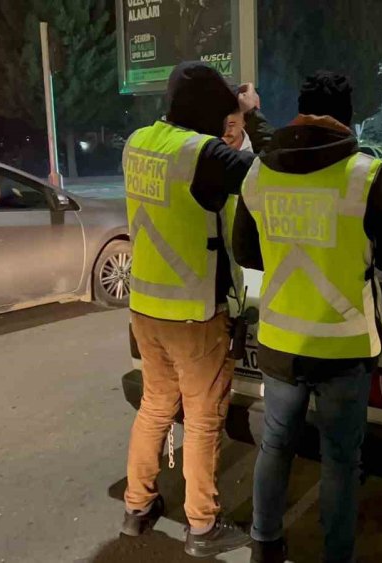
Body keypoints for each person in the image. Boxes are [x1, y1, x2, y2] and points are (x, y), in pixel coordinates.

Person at [233, 72, 382, 563]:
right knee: (340, 460)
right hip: (343, 348)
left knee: (275, 446)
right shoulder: (365, 174)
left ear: (301, 107)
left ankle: (264, 544)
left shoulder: (259, 173)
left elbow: (246, 252)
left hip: (279, 341)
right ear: (348, 115)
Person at [119, 61, 272, 558]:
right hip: (192, 311)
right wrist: (253, 117)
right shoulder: (202, 154)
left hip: (145, 306)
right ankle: (202, 527)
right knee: (204, 420)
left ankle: (136, 508)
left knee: (155, 406)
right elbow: (269, 179)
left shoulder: (137, 142)